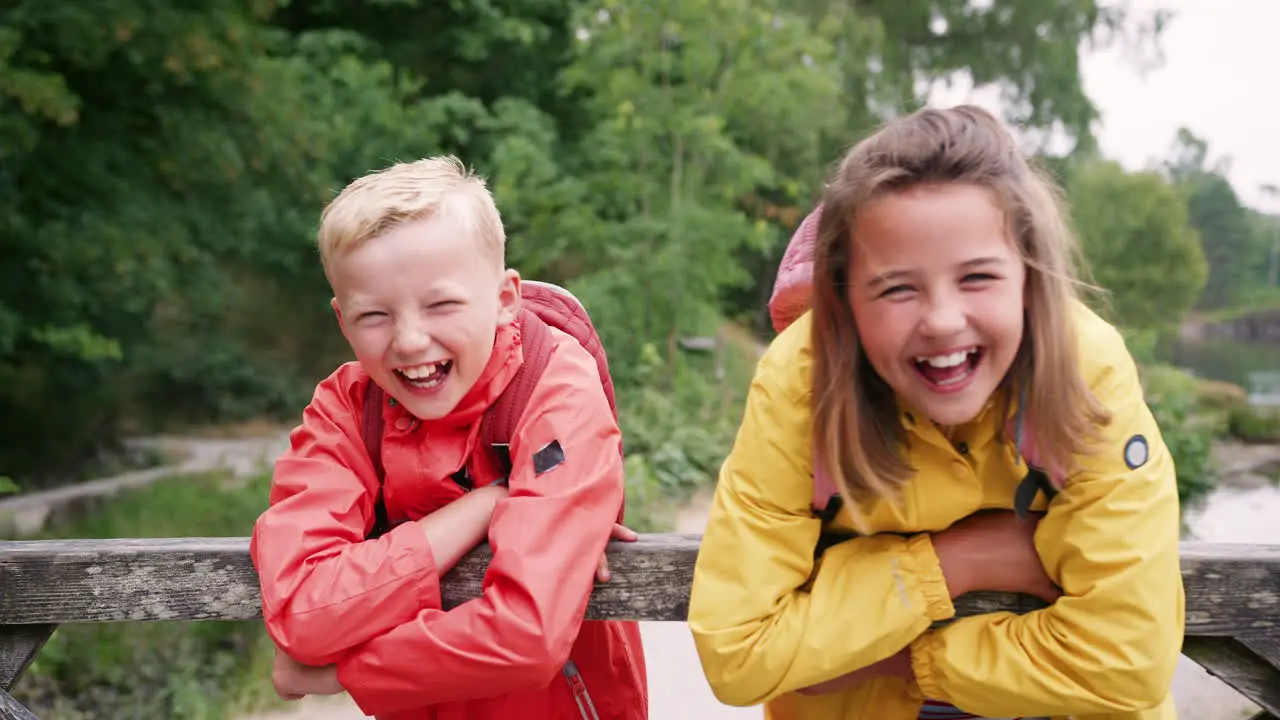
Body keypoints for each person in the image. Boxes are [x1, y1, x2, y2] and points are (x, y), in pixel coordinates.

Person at [687, 105, 1184, 720]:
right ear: (845, 301)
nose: (943, 321)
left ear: (1029, 279)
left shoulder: (1088, 371)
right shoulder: (801, 381)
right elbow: (739, 652)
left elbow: (1127, 660)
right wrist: (955, 562)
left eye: (977, 277)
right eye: (897, 287)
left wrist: (895, 655)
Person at [249, 156, 648, 720]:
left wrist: (344, 673)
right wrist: (484, 506)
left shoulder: (552, 388)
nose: (410, 341)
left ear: (505, 297)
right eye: (375, 315)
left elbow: (528, 635)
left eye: (442, 304)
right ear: (342, 320)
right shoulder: (346, 411)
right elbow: (301, 610)